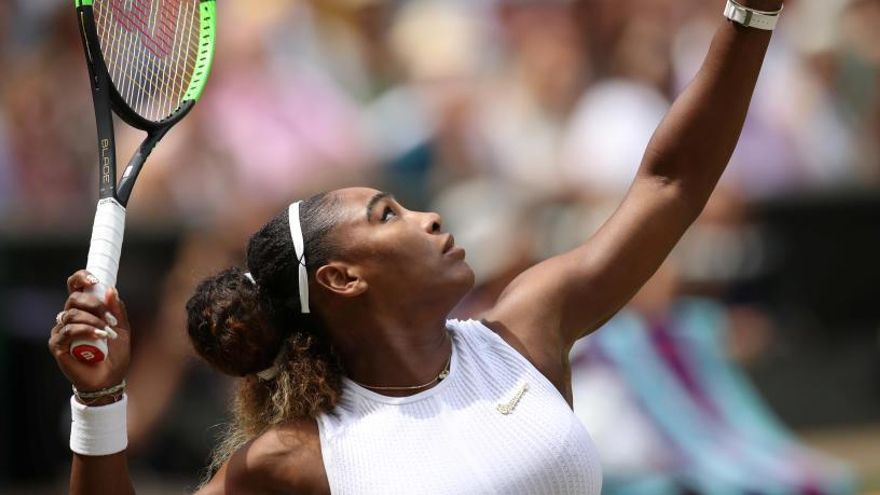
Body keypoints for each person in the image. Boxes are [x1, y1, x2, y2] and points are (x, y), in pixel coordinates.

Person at [48, 1, 786, 493]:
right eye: (387, 214)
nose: (429, 217)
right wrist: (100, 398)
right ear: (342, 277)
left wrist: (751, 14)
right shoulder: (298, 459)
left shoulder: (528, 327)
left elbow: (670, 182)